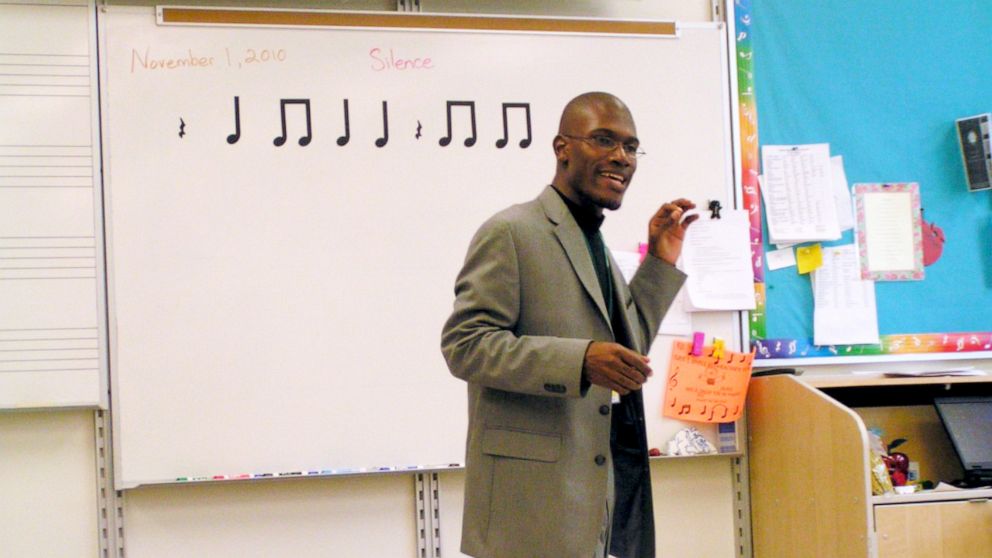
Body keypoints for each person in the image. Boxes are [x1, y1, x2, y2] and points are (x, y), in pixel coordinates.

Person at [441, 91, 697, 558]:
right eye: (604, 140)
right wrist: (578, 361)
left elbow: (626, 346)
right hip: (528, 510)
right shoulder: (512, 231)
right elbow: (465, 344)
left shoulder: (593, 243)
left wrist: (660, 259)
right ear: (562, 148)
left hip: (590, 499)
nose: (621, 157)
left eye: (631, 147)